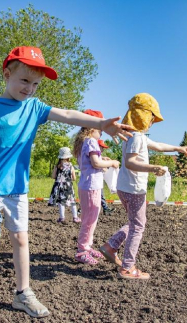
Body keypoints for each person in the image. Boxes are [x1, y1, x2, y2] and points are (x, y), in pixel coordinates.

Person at [0, 46, 133, 318]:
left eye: (36, 84)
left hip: (17, 189)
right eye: (24, 80)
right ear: (7, 74)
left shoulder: (35, 108)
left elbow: (66, 114)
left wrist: (101, 124)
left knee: (21, 239)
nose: (29, 88)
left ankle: (23, 293)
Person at [99, 93, 187, 280]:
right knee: (138, 226)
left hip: (126, 187)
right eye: (151, 118)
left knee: (135, 222)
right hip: (133, 189)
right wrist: (153, 168)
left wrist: (178, 148)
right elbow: (130, 162)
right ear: (143, 116)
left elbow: (157, 145)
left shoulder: (134, 136)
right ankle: (127, 268)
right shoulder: (137, 138)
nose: (151, 123)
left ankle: (110, 246)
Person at [72, 109, 120, 265]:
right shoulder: (91, 141)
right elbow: (96, 163)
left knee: (90, 218)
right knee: (90, 220)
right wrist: (111, 163)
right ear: (92, 127)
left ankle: (87, 246)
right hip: (92, 186)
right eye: (100, 129)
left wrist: (102, 158)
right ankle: (82, 251)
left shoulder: (83, 142)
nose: (102, 133)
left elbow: (91, 161)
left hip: (86, 184)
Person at [48, 147, 80, 223]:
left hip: (58, 186)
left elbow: (53, 176)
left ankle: (62, 218)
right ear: (68, 157)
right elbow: (74, 178)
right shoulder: (70, 165)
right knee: (72, 201)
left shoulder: (57, 166)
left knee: (61, 202)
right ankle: (75, 217)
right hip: (68, 185)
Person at [98, 139, 116, 215]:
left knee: (100, 195)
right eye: (101, 147)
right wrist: (109, 164)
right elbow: (100, 165)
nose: (102, 149)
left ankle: (105, 208)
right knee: (99, 195)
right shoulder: (94, 156)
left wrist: (104, 159)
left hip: (98, 179)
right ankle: (105, 209)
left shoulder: (98, 156)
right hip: (95, 180)